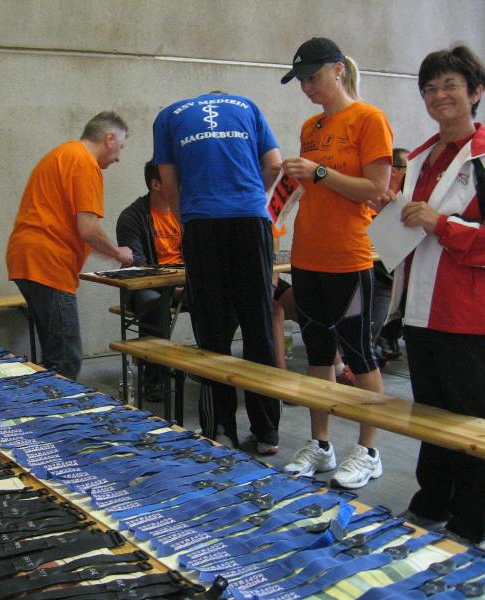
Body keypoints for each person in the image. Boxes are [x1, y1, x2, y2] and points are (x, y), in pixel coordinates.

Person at [390, 45, 485, 546]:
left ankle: (468, 525)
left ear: (476, 92)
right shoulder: (419, 158)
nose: (439, 95)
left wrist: (442, 224)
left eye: (450, 85)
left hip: (467, 312)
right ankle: (431, 502)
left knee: (472, 425)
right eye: (430, 87)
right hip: (420, 309)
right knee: (431, 415)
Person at [279, 37, 393, 488]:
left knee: (360, 355)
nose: (307, 87)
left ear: (338, 70)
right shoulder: (311, 127)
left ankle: (368, 450)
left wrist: (319, 172)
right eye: (301, 81)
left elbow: (376, 190)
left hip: (349, 257)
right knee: (318, 354)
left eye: (313, 77)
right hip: (308, 256)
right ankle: (320, 445)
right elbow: (312, 189)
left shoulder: (369, 119)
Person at [153, 91, 282, 452]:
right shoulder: (249, 106)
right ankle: (267, 433)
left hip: (203, 222)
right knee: (259, 327)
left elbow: (169, 183)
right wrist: (252, 196)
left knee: (212, 330)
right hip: (250, 218)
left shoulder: (169, 114)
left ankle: (221, 428)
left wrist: (188, 220)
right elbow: (274, 165)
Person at [6, 112, 134, 381]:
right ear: (109, 139)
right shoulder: (85, 163)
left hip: (28, 257)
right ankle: (54, 408)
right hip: (47, 263)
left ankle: (43, 403)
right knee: (65, 360)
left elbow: (77, 229)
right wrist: (118, 252)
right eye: (120, 148)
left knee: (56, 353)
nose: (119, 158)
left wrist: (104, 250)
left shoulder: (63, 154)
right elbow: (88, 229)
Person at [116, 160, 184, 400]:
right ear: (156, 184)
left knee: (218, 298)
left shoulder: (185, 211)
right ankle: (155, 379)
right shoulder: (132, 216)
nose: (181, 183)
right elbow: (138, 266)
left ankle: (209, 369)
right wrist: (171, 289)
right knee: (154, 303)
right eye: (174, 178)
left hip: (183, 282)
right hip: (146, 285)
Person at [373, 147, 409, 364]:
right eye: (407, 168)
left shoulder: (409, 198)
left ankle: (388, 336)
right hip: (377, 273)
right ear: (393, 170)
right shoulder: (374, 197)